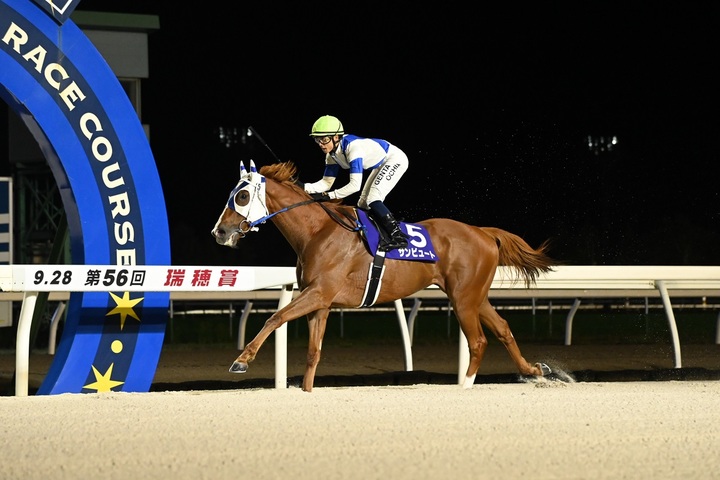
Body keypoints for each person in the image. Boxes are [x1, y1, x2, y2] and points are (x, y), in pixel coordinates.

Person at [304, 115, 409, 251]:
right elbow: (326, 183)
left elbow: (355, 186)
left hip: (394, 159)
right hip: (380, 163)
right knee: (362, 204)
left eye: (324, 139)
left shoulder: (353, 148)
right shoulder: (331, 156)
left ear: (336, 137)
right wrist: (302, 187)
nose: (321, 144)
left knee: (373, 198)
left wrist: (329, 196)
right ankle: (379, 233)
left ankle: (398, 236)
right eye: (317, 140)